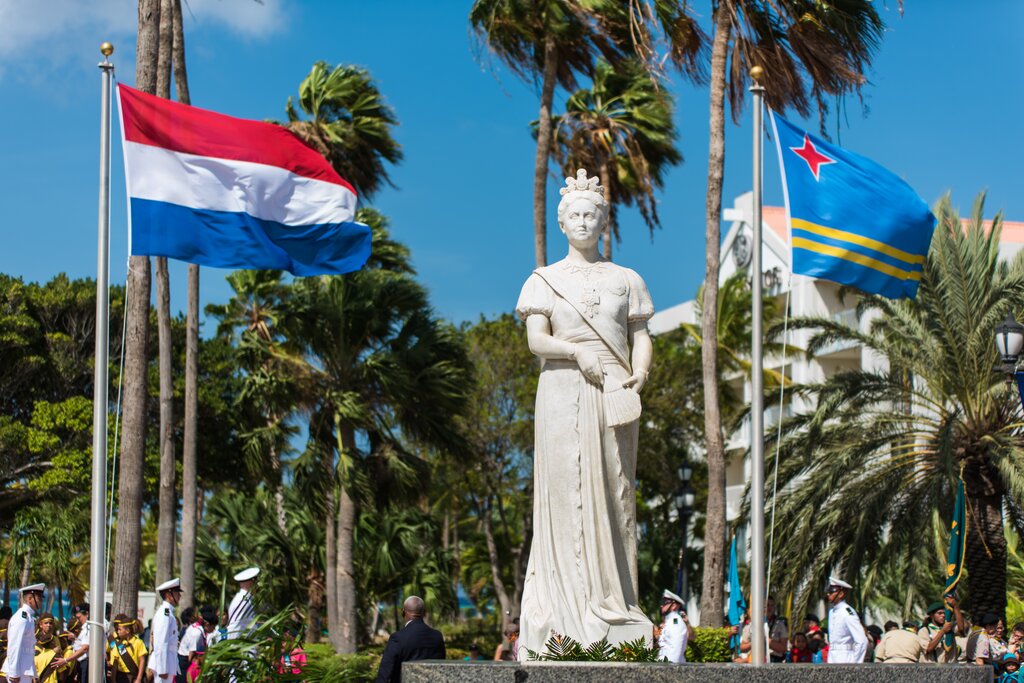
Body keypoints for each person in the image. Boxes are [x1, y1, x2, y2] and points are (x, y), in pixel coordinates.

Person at [517, 169, 655, 656]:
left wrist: (639, 373)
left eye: (590, 215)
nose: (582, 222)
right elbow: (536, 340)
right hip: (560, 390)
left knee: (614, 493)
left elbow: (641, 337)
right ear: (562, 222)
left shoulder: (626, 279)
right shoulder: (544, 280)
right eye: (574, 214)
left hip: (614, 393)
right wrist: (574, 353)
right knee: (565, 491)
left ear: (602, 222)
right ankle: (562, 604)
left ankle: (614, 600)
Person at [375, 596, 445, 683]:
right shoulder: (437, 636)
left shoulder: (398, 638)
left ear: (403, 612)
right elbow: (441, 667)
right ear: (424, 613)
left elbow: (385, 673)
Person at [3, 583, 44, 683]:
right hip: (19, 672)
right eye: (39, 598)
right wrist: (14, 673)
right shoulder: (22, 618)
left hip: (25, 671)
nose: (42, 601)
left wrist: (33, 673)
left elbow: (29, 650)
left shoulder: (29, 618)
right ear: (30, 599)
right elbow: (14, 646)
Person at [825, 577, 867, 663]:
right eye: (828, 592)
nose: (828, 594)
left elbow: (862, 641)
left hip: (845, 657)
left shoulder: (847, 612)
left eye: (831, 592)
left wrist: (856, 664)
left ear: (840, 594)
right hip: (832, 657)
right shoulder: (832, 612)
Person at [149, 577, 183, 681]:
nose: (180, 595)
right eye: (177, 592)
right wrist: (162, 669)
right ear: (169, 595)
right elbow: (161, 642)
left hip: (168, 664)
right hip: (163, 666)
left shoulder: (168, 612)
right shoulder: (165, 614)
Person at [919, 597, 966, 663]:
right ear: (932, 615)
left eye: (944, 613)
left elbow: (961, 628)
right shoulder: (924, 631)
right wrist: (943, 631)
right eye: (939, 613)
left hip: (951, 667)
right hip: (932, 669)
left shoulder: (950, 627)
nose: (943, 615)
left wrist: (955, 606)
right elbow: (928, 649)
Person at [108, 614, 148, 683]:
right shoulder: (119, 644)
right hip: (121, 676)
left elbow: (142, 661)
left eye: (120, 629)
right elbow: (115, 662)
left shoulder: (138, 642)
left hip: (134, 677)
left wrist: (139, 678)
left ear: (127, 631)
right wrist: (113, 679)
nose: (118, 631)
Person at [656, 589, 692, 663]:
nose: (662, 605)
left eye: (665, 602)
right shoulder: (669, 621)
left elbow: (676, 649)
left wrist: (672, 670)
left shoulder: (675, 622)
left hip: (670, 667)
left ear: (674, 606)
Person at [61, 603, 94, 681]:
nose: (78, 620)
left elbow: (85, 648)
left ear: (87, 614)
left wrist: (66, 660)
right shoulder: (84, 628)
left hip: (86, 662)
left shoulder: (88, 628)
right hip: (81, 663)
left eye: (79, 617)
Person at [226, 568, 259, 640]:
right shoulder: (243, 600)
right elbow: (235, 626)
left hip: (246, 642)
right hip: (242, 644)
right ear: (252, 581)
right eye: (256, 580)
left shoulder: (246, 598)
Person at [177, 609, 205, 683]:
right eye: (194, 614)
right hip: (185, 659)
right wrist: (190, 667)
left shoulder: (194, 627)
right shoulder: (195, 631)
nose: (198, 616)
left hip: (185, 657)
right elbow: (191, 652)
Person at [766, 596, 788, 663]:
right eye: (767, 605)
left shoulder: (780, 624)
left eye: (772, 605)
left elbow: (783, 648)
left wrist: (766, 641)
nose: (769, 608)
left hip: (774, 659)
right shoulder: (757, 624)